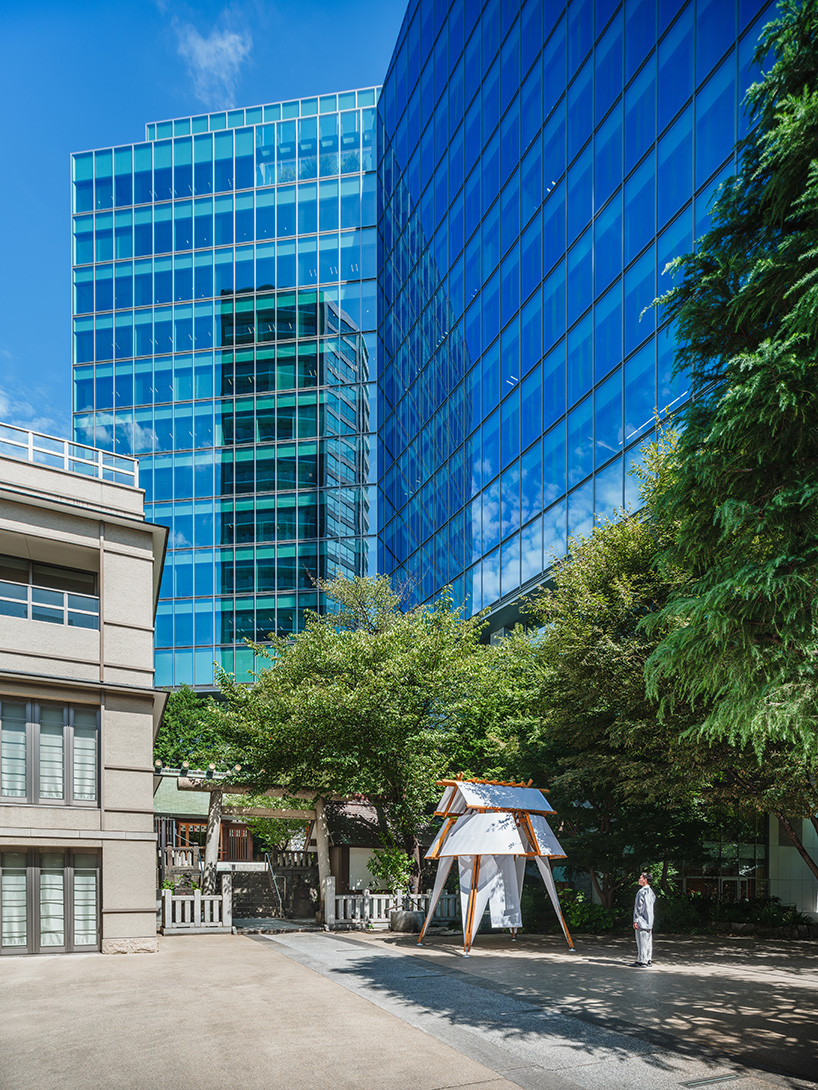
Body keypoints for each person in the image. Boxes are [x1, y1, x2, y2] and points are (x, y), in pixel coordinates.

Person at [632, 871, 656, 967]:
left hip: (642, 920)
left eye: (641, 878)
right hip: (649, 920)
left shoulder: (641, 891)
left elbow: (638, 907)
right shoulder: (651, 892)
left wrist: (635, 920)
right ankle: (648, 959)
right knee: (648, 941)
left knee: (641, 941)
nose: (639, 879)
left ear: (645, 880)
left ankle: (642, 960)